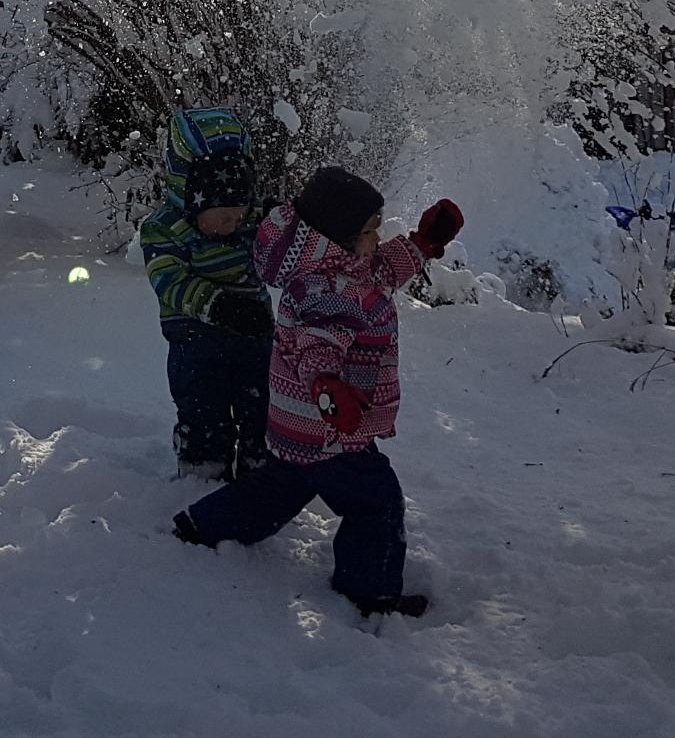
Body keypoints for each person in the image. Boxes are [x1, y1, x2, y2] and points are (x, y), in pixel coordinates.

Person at [173, 164, 463, 618]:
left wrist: (423, 244)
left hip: (298, 425)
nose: (377, 238)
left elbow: (381, 268)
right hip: (332, 428)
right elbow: (317, 348)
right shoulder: (326, 291)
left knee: (274, 491)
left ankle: (201, 526)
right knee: (375, 502)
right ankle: (370, 590)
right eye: (371, 231)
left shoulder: (340, 269)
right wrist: (330, 392)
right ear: (340, 238)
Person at [140, 106, 275, 480]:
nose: (235, 224)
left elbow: (281, 257)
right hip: (195, 338)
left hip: (255, 333)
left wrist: (286, 226)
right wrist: (220, 306)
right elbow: (169, 282)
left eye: (240, 213)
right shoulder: (163, 229)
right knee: (203, 405)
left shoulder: (251, 220)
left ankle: (261, 464)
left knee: (263, 401)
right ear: (192, 197)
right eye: (223, 217)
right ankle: (203, 467)